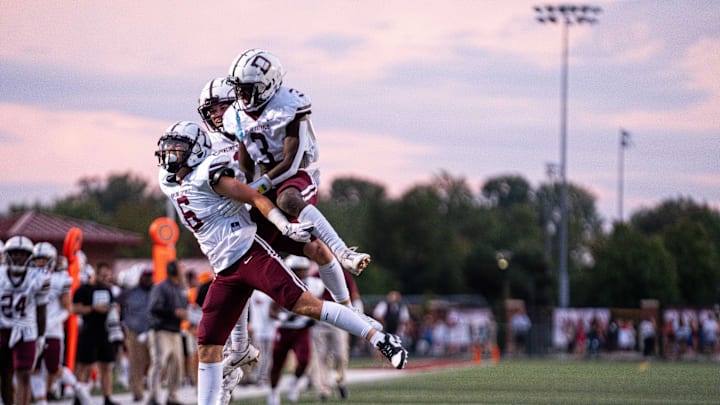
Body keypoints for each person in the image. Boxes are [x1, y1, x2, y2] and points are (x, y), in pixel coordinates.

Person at [154, 120, 408, 405]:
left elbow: (253, 196)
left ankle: (380, 338)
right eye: (168, 149)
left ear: (196, 151)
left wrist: (283, 225)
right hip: (224, 270)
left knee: (306, 305)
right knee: (208, 344)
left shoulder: (209, 175)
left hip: (249, 253)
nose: (170, 155)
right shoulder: (168, 180)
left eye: (177, 149)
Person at [197, 77, 381, 396]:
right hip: (243, 228)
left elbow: (287, 158)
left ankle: (352, 312)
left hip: (270, 212)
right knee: (231, 277)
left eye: (222, 106)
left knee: (317, 250)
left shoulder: (258, 127)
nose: (217, 115)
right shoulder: (211, 147)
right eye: (210, 110)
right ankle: (238, 348)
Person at [222, 49, 373, 278]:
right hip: (264, 179)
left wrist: (256, 190)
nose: (241, 94)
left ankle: (344, 253)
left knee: (287, 199)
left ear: (268, 85)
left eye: (247, 88)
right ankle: (241, 313)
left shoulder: (288, 105)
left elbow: (291, 163)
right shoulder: (236, 115)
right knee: (245, 250)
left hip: (293, 174)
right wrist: (242, 191)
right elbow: (246, 167)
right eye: (239, 87)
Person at [28, 243, 91, 405]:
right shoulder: (28, 277)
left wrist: (50, 323)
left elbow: (68, 309)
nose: (40, 262)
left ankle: (78, 388)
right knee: (33, 367)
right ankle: (41, 401)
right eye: (38, 259)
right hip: (32, 329)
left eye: (44, 259)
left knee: (54, 367)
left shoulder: (61, 279)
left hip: (52, 330)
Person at [267, 255, 324, 405]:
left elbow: (319, 307)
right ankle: (273, 392)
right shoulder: (281, 285)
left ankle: (293, 385)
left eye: (304, 270)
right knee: (277, 364)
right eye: (298, 270)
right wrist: (284, 319)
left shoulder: (314, 285)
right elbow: (272, 311)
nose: (302, 274)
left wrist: (311, 318)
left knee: (304, 360)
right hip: (283, 329)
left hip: (301, 329)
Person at [0, 236, 50, 405]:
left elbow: (41, 309)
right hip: (2, 328)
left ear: (29, 256)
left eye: (21, 254)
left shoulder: (39, 277)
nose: (17, 257)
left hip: (26, 330)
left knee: (24, 373)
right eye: (14, 253)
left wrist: (42, 336)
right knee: (4, 375)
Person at [72, 262, 120, 405]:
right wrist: (93, 309)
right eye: (103, 276)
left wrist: (115, 310)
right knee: (84, 366)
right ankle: (78, 398)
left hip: (105, 332)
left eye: (108, 276)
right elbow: (74, 309)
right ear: (96, 274)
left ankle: (107, 397)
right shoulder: (84, 289)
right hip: (89, 331)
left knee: (106, 366)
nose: (106, 279)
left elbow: (112, 305)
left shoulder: (108, 290)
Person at [146, 260, 189, 405]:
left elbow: (185, 306)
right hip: (161, 330)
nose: (183, 271)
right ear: (173, 270)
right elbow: (154, 308)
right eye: (180, 269)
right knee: (159, 363)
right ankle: (153, 396)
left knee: (177, 365)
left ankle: (172, 396)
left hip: (175, 331)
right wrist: (173, 312)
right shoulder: (161, 287)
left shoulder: (181, 288)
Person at [118, 267, 153, 402]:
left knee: (153, 362)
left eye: (150, 276)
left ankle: (152, 390)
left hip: (152, 331)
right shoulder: (129, 292)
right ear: (140, 278)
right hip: (134, 331)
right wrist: (123, 323)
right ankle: (137, 392)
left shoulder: (155, 290)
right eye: (146, 276)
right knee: (136, 363)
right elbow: (117, 305)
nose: (148, 279)